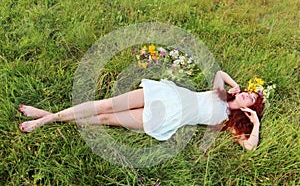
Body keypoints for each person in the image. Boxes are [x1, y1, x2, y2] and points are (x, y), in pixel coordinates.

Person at [19, 70, 264, 151]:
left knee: (104, 118)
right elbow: (219, 74)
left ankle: (46, 116)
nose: (245, 96)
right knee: (106, 104)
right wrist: (235, 85)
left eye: (250, 100)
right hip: (167, 95)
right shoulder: (219, 93)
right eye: (248, 93)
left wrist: (256, 126)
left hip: (167, 116)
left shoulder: (227, 119)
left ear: (247, 109)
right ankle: (45, 119)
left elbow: (249, 146)